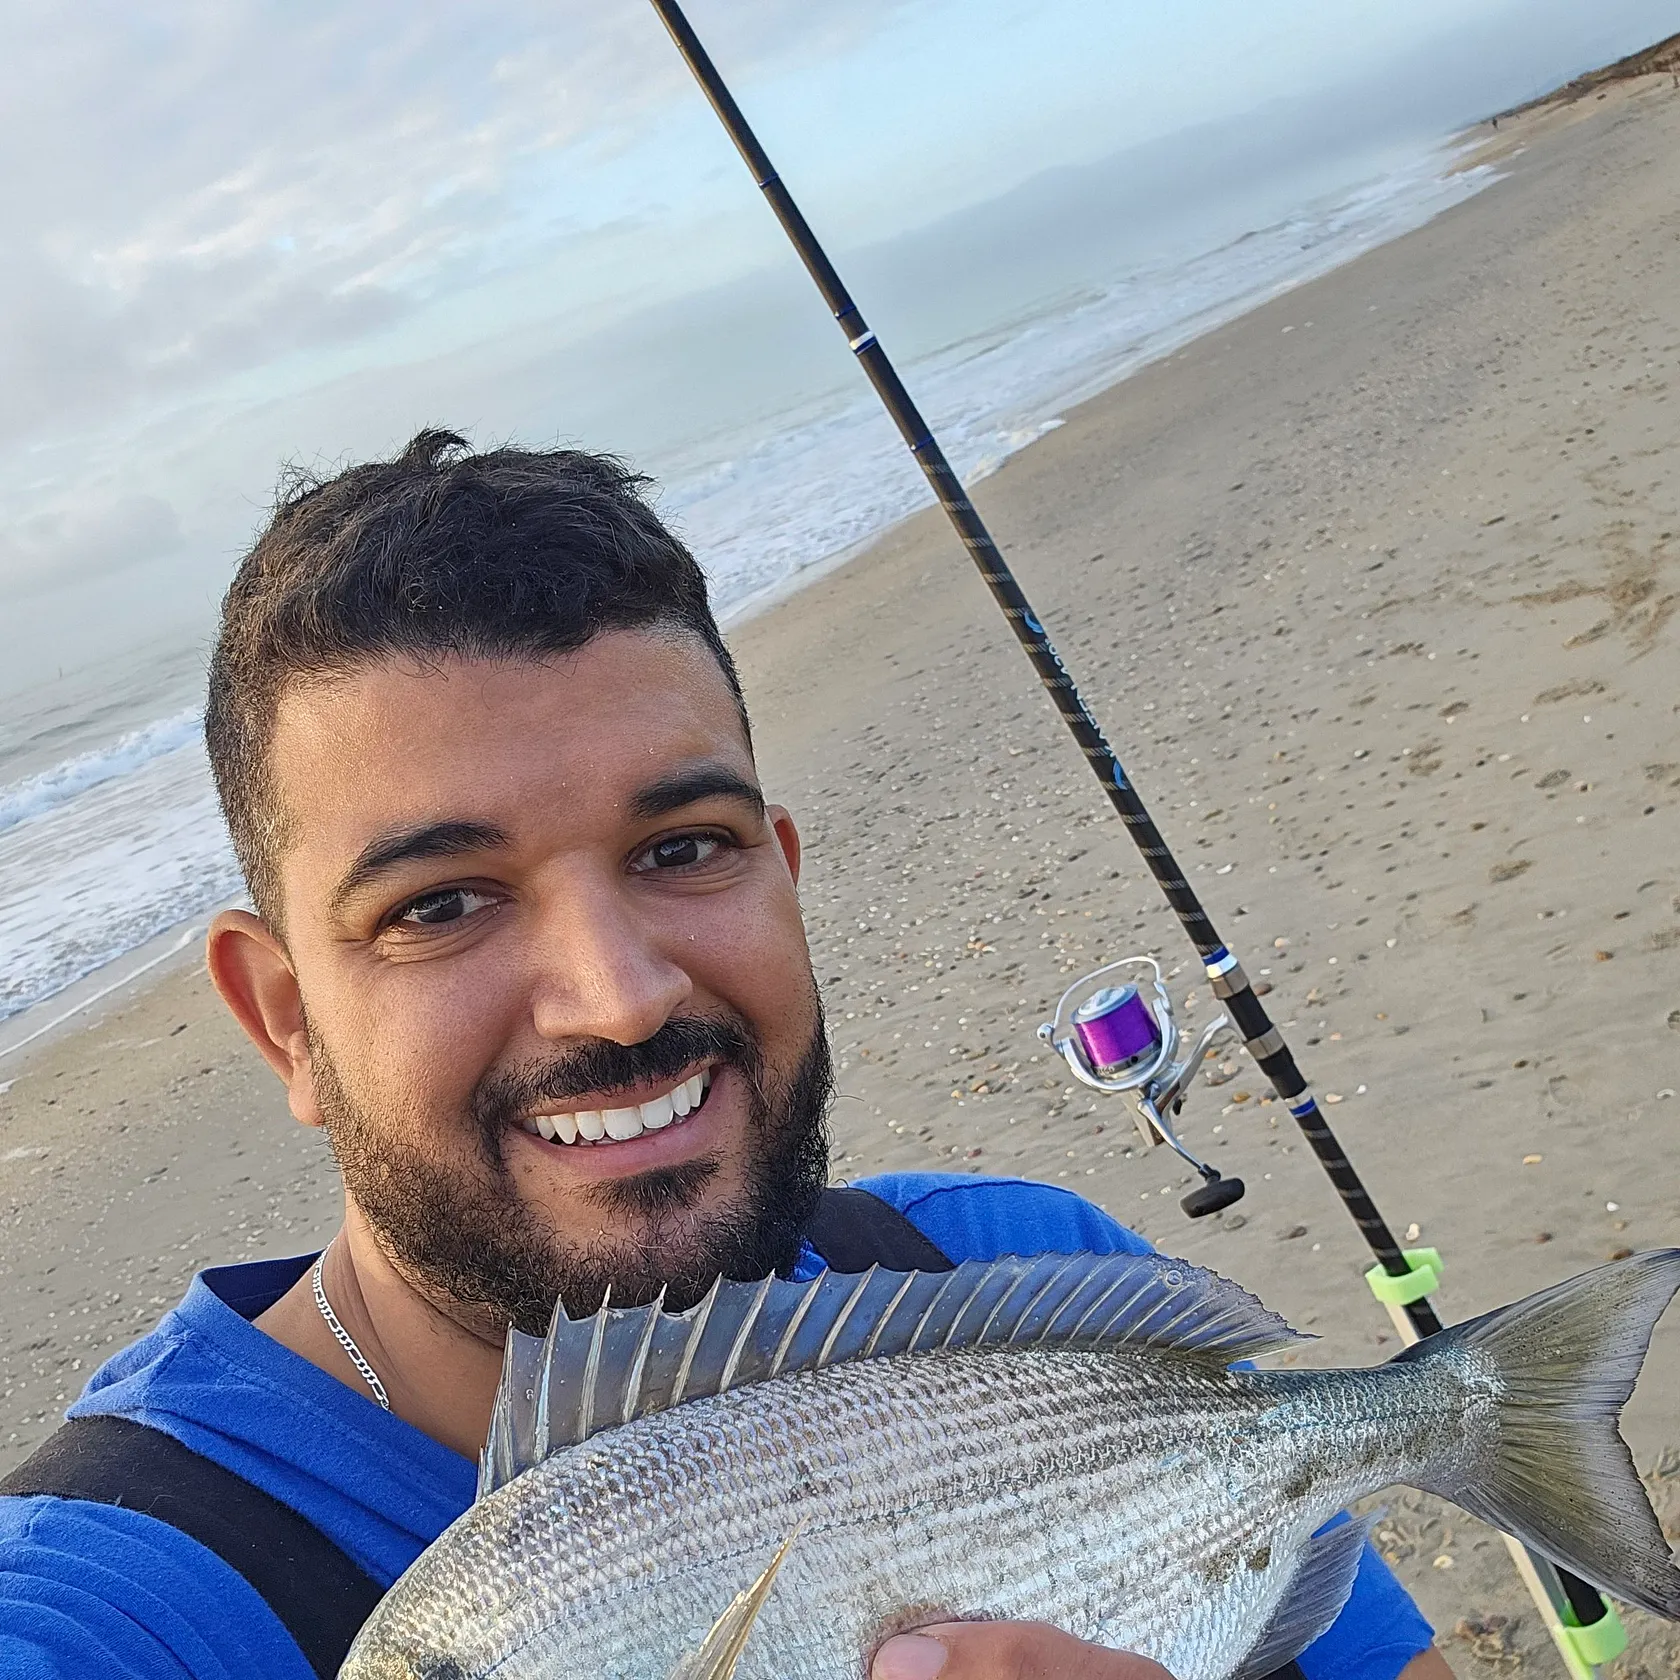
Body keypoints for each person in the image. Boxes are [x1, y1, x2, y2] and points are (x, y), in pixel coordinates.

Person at [0, 432, 1446, 1680]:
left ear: (784, 876)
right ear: (283, 1018)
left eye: (684, 848)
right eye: (439, 904)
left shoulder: (1022, 1275)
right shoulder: (117, 1604)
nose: (620, 999)